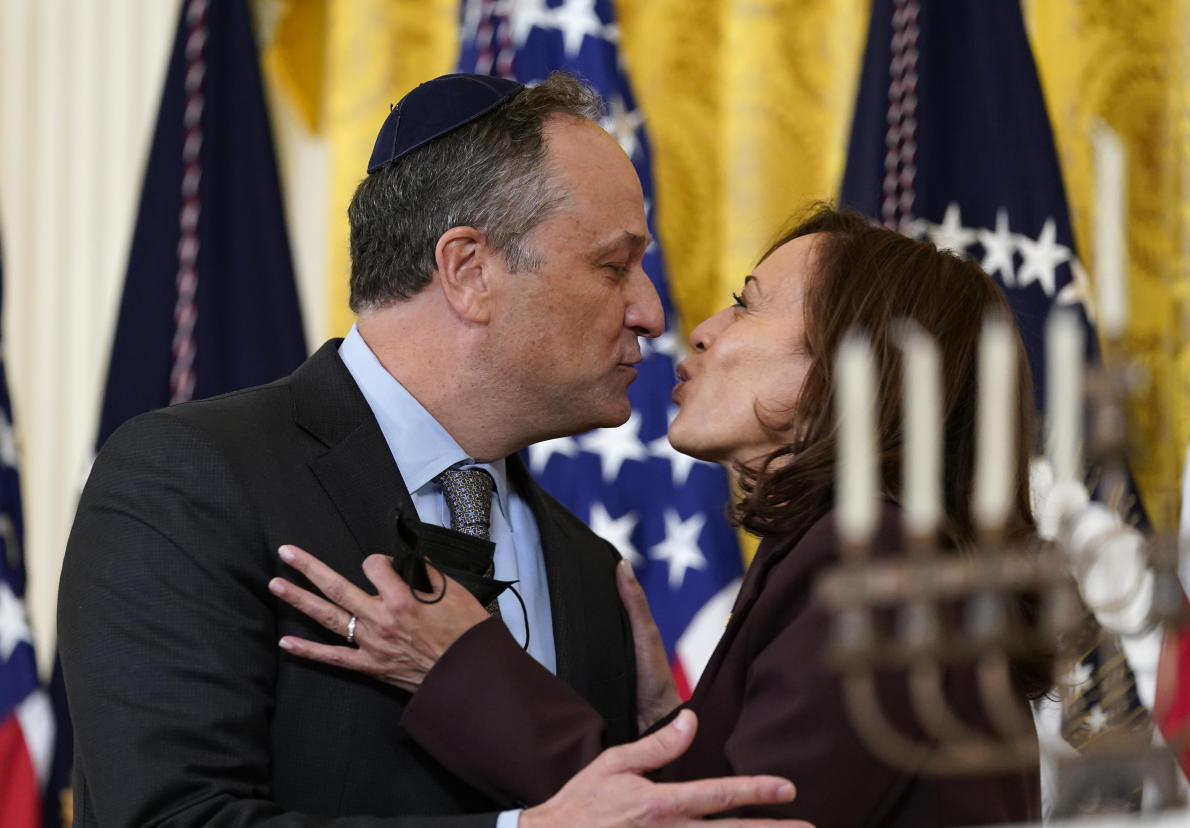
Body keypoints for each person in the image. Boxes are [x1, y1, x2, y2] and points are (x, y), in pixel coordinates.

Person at [58, 72, 809, 827]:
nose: (650, 312)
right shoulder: (191, 481)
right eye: (614, 266)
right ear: (469, 271)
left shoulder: (592, 574)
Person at [272, 204, 1055, 826]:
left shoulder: (881, 557)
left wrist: (465, 668)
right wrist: (669, 729)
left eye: (747, 305)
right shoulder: (882, 552)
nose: (702, 330)